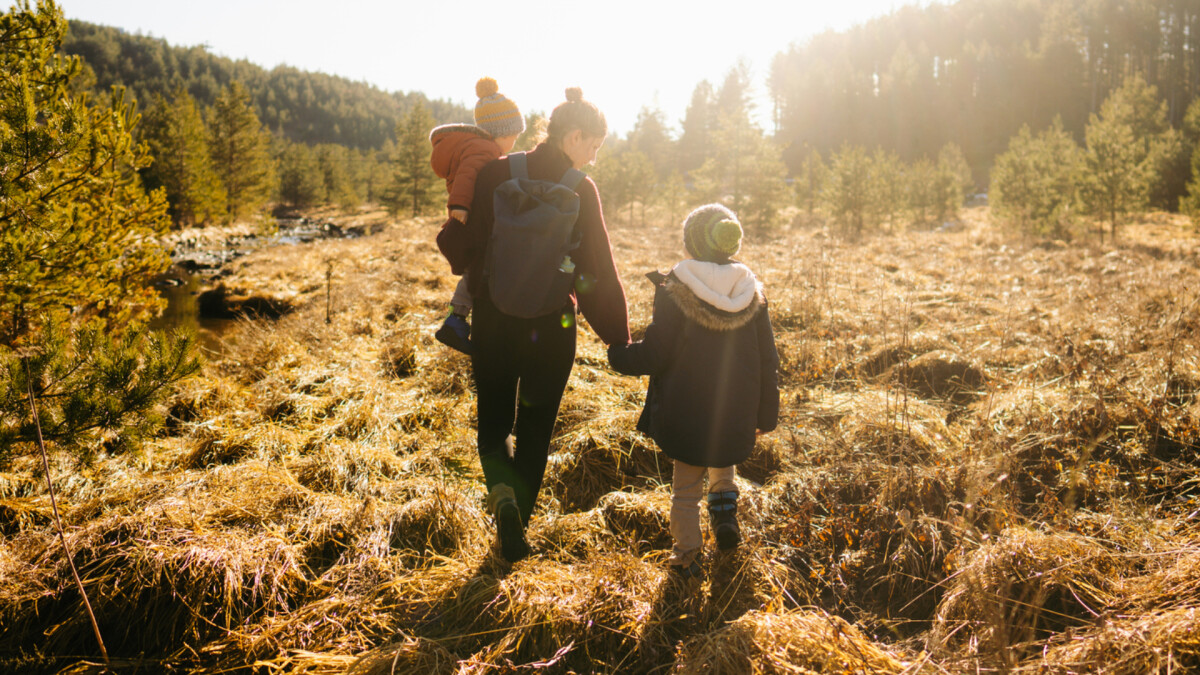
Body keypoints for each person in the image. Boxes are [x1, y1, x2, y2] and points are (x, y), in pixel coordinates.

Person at [438, 87, 630, 562]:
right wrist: (619, 339)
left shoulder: (496, 172)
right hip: (553, 327)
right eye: (594, 145)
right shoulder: (581, 189)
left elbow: (466, 247)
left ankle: (501, 498)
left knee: (494, 423)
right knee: (536, 430)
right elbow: (597, 273)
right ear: (574, 135)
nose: (594, 155)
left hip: (494, 322)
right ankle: (516, 527)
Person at [607, 204, 780, 579]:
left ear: (691, 242)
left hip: (684, 409)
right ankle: (724, 519)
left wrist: (620, 356)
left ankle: (686, 556)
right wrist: (766, 415)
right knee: (723, 459)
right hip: (735, 409)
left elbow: (657, 352)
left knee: (685, 489)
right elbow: (769, 358)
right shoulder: (750, 291)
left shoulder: (676, 288)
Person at [430, 77, 525, 354]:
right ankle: (455, 322)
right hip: (468, 216)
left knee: (476, 268)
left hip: (470, 214)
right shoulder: (483, 149)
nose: (514, 142)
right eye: (512, 137)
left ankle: (456, 320)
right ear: (499, 132)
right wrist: (459, 205)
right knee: (479, 267)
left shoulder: (480, 146)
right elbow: (468, 176)